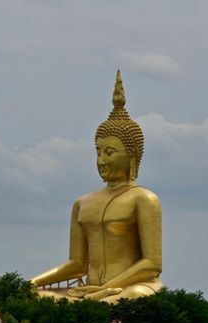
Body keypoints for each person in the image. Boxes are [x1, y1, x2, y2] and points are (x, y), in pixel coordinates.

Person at [30, 71, 162, 304]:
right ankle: (91, 303)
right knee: (37, 296)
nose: (101, 161)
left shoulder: (143, 199)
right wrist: (32, 283)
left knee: (134, 295)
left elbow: (152, 264)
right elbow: (77, 264)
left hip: (130, 288)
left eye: (109, 153)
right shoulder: (82, 203)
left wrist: (106, 289)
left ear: (132, 156)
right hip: (89, 292)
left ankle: (97, 302)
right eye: (98, 152)